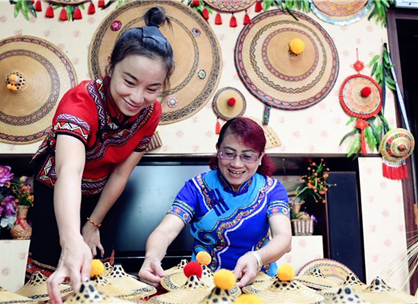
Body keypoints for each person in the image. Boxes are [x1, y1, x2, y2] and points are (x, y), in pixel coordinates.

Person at [27, 7, 174, 304]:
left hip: (101, 196)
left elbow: (121, 172)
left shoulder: (151, 112)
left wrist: (92, 225)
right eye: (129, 82)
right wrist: (70, 239)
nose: (137, 98)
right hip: (58, 190)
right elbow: (69, 170)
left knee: (98, 273)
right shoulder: (79, 102)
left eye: (152, 89)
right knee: (52, 270)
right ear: (109, 67)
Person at [138, 117, 292, 288]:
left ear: (260, 157)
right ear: (218, 150)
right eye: (229, 153)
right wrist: (151, 257)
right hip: (204, 283)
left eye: (247, 156)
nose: (236, 163)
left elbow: (283, 237)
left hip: (258, 281)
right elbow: (165, 232)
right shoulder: (196, 188)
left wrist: (257, 258)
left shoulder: (272, 190)